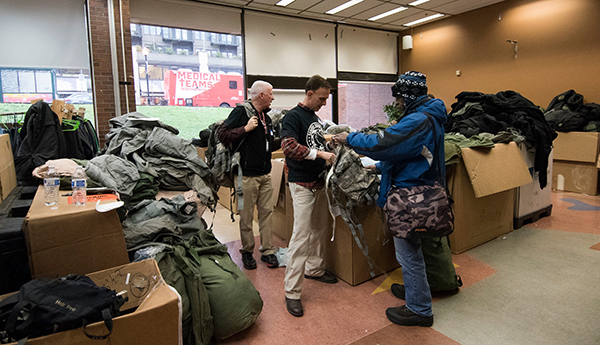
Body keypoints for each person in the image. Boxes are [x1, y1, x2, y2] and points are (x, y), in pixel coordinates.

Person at [334, 71, 448, 327]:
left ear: (407, 96)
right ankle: (414, 291)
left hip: (409, 196)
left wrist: (350, 139)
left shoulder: (418, 120)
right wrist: (379, 168)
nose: (395, 103)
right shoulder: (430, 116)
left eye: (398, 98)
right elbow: (413, 155)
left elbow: (384, 143)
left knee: (408, 253)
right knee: (411, 251)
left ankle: (419, 309)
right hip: (418, 188)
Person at [280, 75, 338, 317]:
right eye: (322, 98)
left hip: (318, 184)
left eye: (326, 99)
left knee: (319, 230)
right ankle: (291, 292)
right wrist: (321, 156)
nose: (324, 103)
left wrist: (330, 145)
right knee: (301, 237)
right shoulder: (292, 117)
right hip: (302, 185)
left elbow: (314, 144)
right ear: (310, 92)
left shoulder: (314, 119)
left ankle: (314, 269)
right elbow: (289, 147)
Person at [217, 80, 279, 270]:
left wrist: (284, 140)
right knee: (246, 216)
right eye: (271, 93)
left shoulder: (265, 118)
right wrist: (245, 129)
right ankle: (247, 251)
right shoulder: (241, 112)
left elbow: (267, 145)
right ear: (261, 95)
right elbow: (223, 135)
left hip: (265, 174)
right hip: (246, 176)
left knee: (267, 214)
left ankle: (268, 250)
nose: (273, 97)